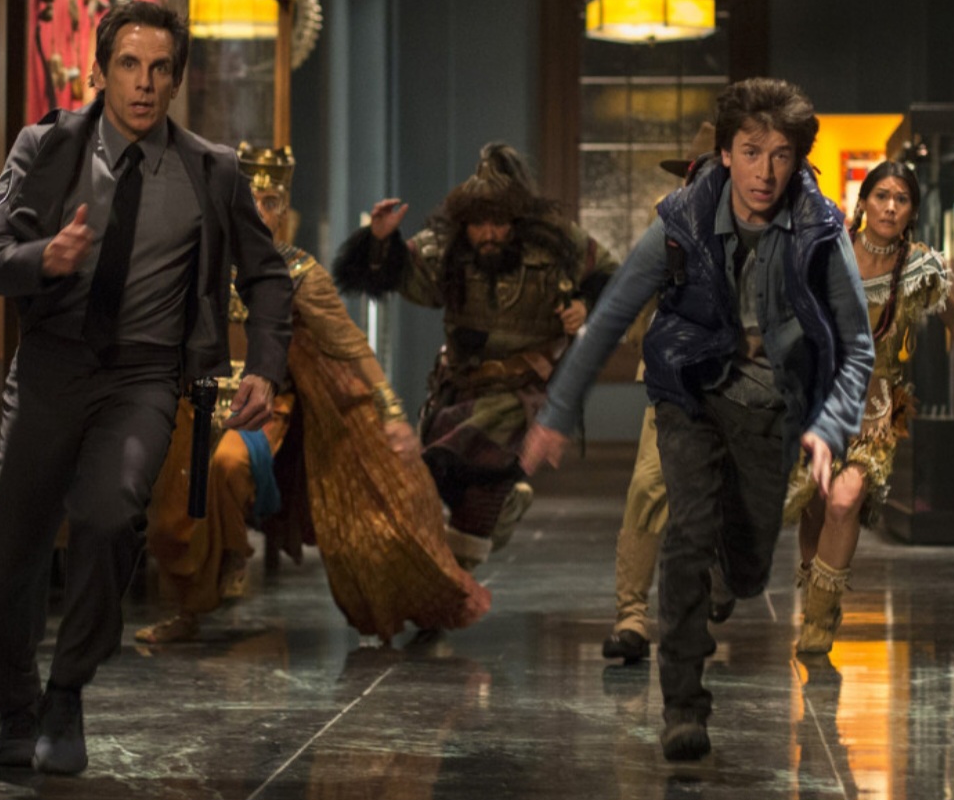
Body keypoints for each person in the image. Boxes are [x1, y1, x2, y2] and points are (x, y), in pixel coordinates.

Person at [0, 0, 292, 776]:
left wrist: (264, 365)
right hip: (51, 365)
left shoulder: (212, 170)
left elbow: (268, 274)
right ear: (101, 71)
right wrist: (44, 257)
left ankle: (67, 688)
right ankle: (16, 706)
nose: (143, 83)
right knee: (12, 547)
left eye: (159, 69)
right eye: (129, 65)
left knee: (109, 513)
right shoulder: (45, 147)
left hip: (144, 374)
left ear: (175, 80)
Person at [521, 78, 873, 763]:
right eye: (751, 152)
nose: (765, 171)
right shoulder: (682, 220)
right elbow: (611, 315)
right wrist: (558, 411)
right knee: (686, 528)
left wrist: (831, 426)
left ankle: (723, 567)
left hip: (771, 402)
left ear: (798, 159)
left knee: (746, 570)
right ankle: (683, 705)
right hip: (689, 387)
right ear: (725, 153)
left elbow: (857, 343)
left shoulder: (821, 227)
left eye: (780, 155)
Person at [137, 146, 489, 644]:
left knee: (229, 466)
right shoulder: (200, 262)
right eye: (251, 200)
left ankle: (233, 553)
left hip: (261, 409)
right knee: (170, 515)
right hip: (193, 405)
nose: (261, 211)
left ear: (285, 210)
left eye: (272, 202)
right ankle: (187, 611)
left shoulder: (299, 273)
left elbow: (349, 344)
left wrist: (389, 408)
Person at [334, 143, 617, 571]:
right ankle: (494, 519)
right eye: (478, 224)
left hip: (521, 395)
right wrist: (379, 241)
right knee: (439, 472)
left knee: (473, 474)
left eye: (498, 223)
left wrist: (585, 304)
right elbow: (392, 276)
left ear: (516, 222)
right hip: (460, 387)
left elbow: (613, 279)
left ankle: (458, 570)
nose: (488, 234)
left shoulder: (557, 244)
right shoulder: (448, 250)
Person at [783, 159, 954, 655]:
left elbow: (947, 302)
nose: (891, 207)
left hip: (876, 407)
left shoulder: (918, 265)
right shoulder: (831, 251)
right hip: (821, 398)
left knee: (844, 500)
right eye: (882, 196)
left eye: (901, 199)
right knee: (814, 505)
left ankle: (820, 620)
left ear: (912, 210)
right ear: (864, 202)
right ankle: (816, 596)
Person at [602, 123, 737, 666]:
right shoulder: (669, 227)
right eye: (695, 174)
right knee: (648, 487)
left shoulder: (763, 228)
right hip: (675, 381)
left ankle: (718, 580)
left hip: (740, 383)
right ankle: (632, 617)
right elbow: (635, 296)